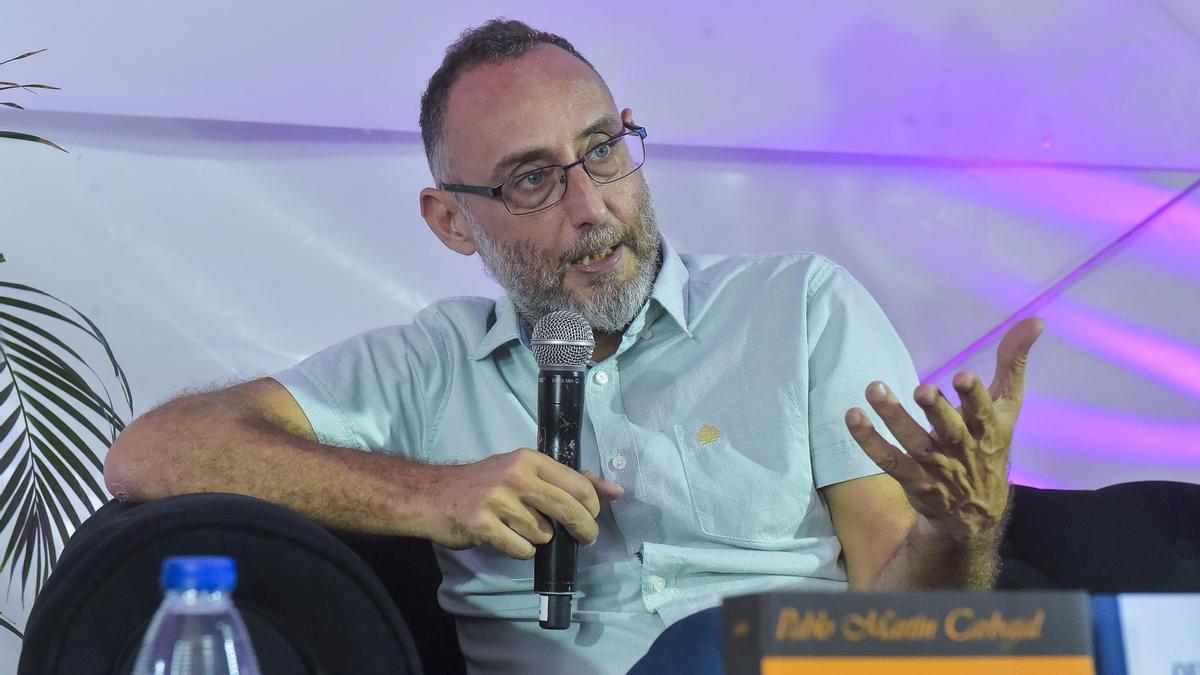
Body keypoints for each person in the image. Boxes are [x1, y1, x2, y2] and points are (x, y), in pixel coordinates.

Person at [103, 18, 1044, 675]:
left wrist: (962, 530)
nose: (592, 205)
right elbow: (153, 451)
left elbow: (905, 622)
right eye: (530, 180)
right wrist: (435, 492)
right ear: (450, 221)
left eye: (602, 150)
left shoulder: (798, 306)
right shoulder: (429, 368)